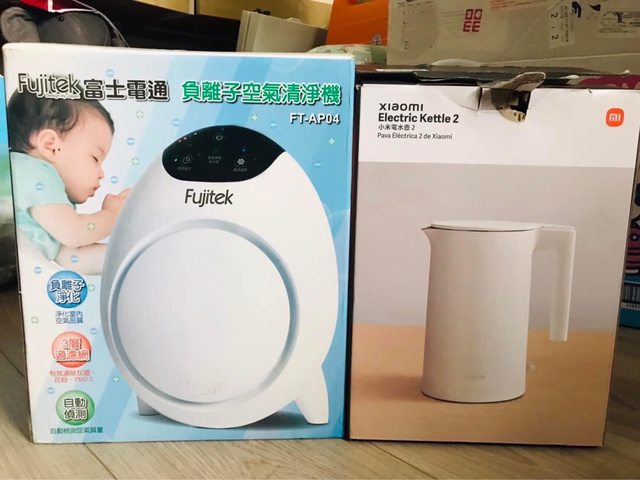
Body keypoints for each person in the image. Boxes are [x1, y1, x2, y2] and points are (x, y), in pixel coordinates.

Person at [7, 91, 130, 274]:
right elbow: (74, 233)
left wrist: (132, 255)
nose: (101, 173)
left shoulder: (42, 210)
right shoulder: (31, 172)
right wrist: (113, 214)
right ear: (50, 146)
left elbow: (75, 258)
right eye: (95, 158)